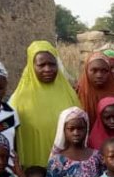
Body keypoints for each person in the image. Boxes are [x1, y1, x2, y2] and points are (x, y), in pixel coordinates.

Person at [10, 41, 79, 169]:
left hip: (65, 168)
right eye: (41, 65)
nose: (47, 69)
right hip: (32, 169)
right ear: (31, 66)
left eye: (52, 64)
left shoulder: (69, 94)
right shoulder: (18, 100)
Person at [77, 51, 114, 130]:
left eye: (104, 71)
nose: (99, 75)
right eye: (94, 71)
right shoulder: (78, 94)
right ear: (86, 71)